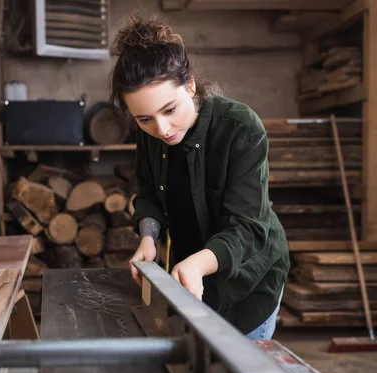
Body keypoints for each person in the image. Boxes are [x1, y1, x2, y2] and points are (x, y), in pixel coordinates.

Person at [110, 13, 290, 340]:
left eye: (169, 110)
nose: (161, 129)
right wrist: (148, 238)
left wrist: (198, 263)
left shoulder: (240, 128)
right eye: (144, 118)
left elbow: (249, 227)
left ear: (190, 85)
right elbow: (149, 193)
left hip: (249, 282)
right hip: (191, 276)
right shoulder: (148, 135)